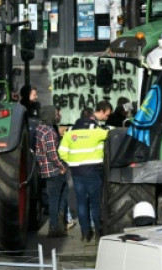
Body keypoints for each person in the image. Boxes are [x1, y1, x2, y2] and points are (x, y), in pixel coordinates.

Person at [59, 101, 111, 243]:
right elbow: (110, 135)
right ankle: (98, 232)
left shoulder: (70, 132)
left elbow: (61, 152)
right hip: (93, 171)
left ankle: (85, 233)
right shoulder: (96, 131)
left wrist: (71, 162)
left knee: (81, 203)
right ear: (91, 117)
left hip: (76, 172)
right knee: (95, 203)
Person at [34, 104, 68, 238]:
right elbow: (52, 153)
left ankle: (58, 224)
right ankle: (55, 227)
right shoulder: (49, 132)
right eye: (55, 113)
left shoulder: (40, 129)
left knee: (56, 196)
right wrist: (61, 167)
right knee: (56, 198)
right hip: (54, 170)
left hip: (45, 170)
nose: (57, 116)